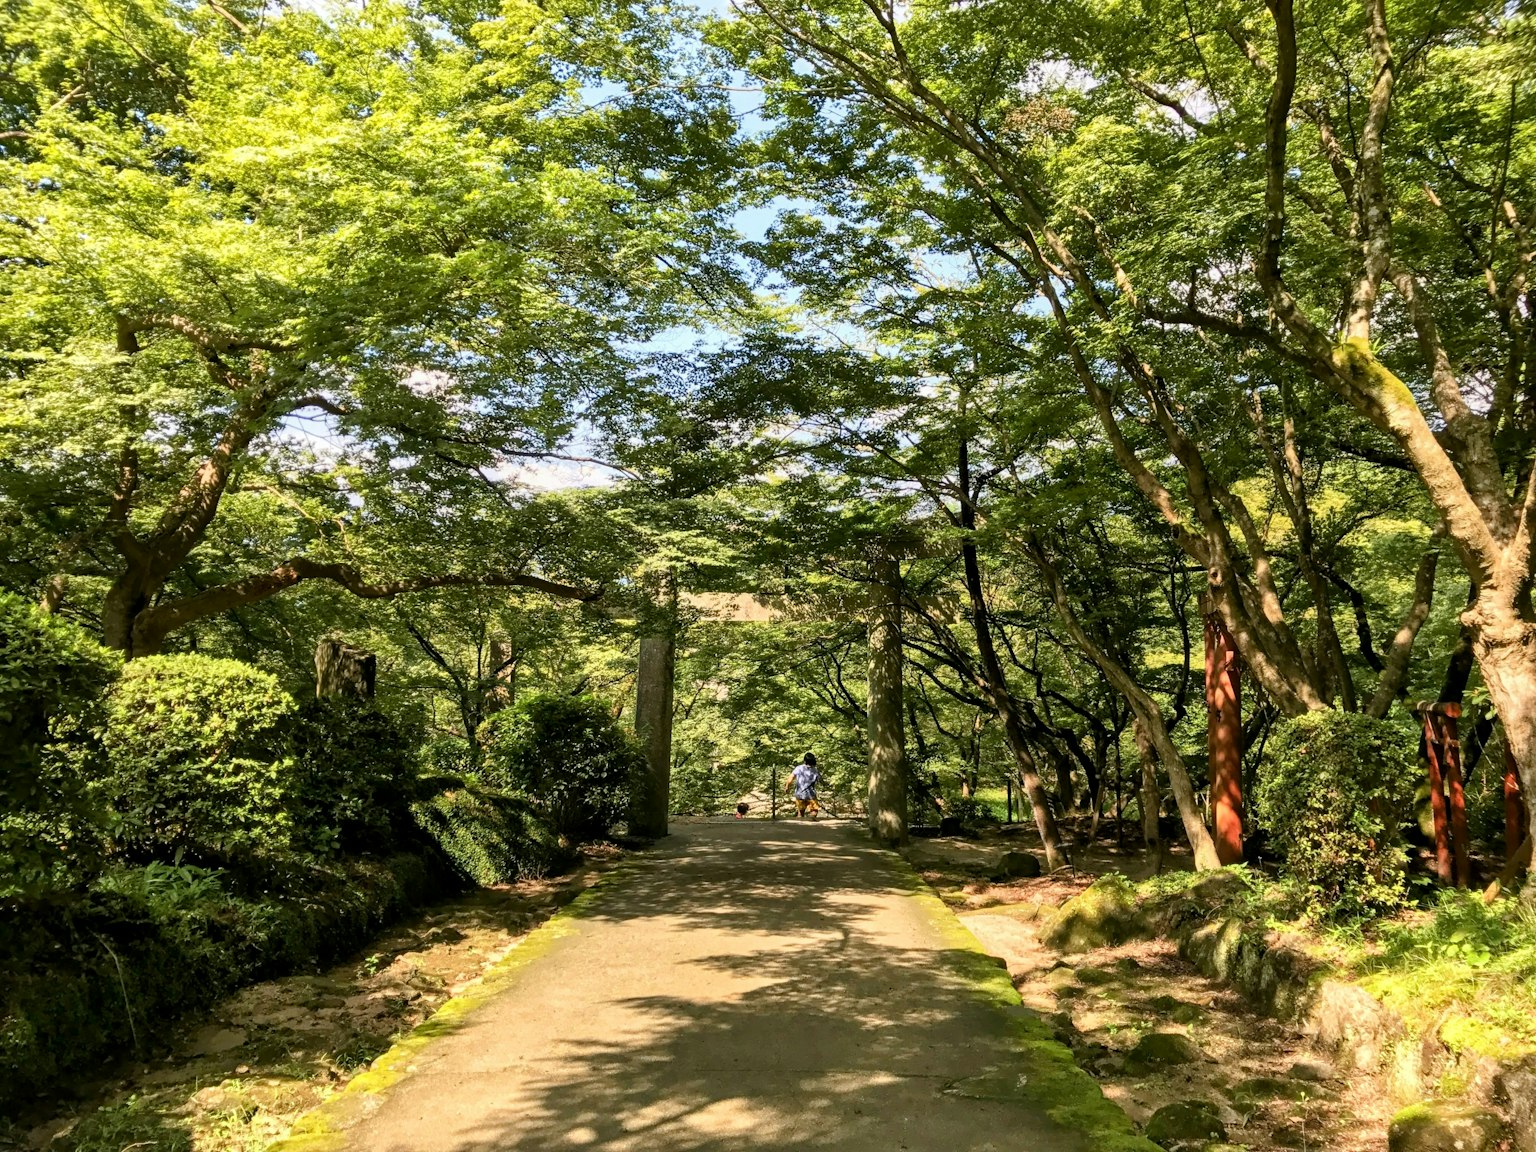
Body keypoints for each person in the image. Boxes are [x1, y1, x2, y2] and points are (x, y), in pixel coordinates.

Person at [785, 752, 820, 818]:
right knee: (814, 811)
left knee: (800, 812)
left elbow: (791, 777)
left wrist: (787, 786)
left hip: (799, 794)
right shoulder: (815, 770)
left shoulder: (799, 768)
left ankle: (800, 825)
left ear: (805, 760)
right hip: (811, 795)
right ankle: (811, 820)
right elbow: (819, 780)